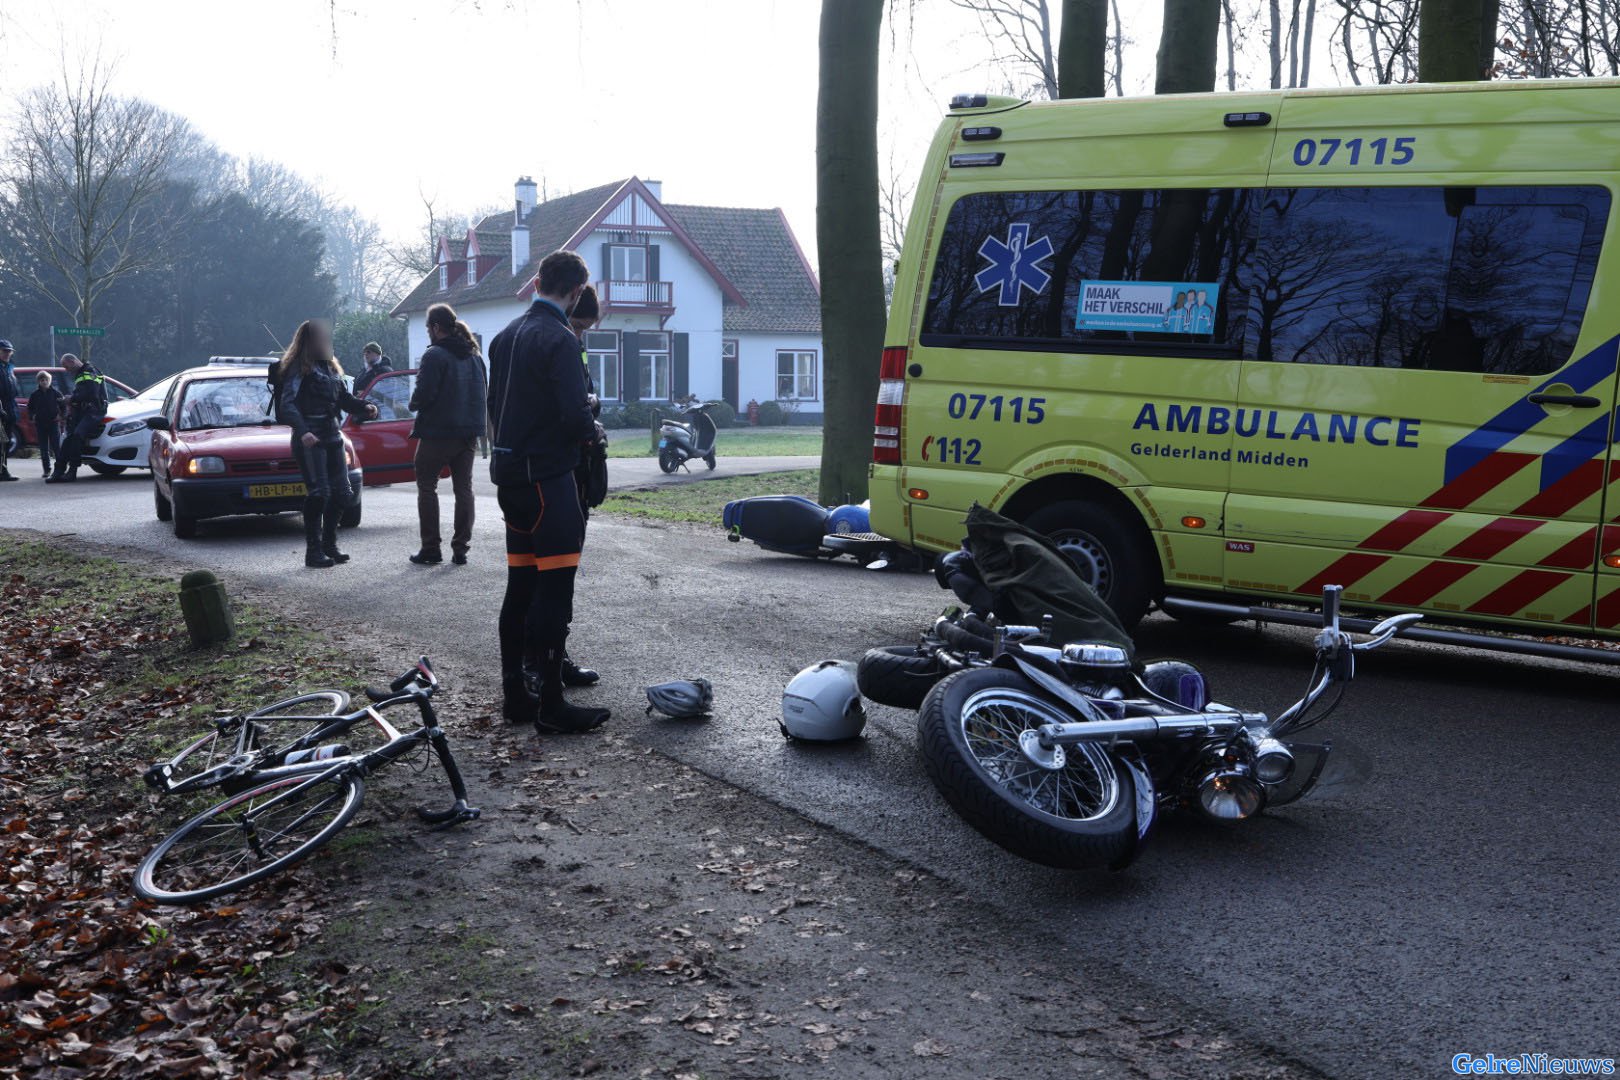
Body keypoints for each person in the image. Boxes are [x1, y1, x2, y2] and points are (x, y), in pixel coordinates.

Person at [486, 250, 609, 733]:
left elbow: (496, 405)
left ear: (537, 281)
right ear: (577, 292)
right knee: (556, 590)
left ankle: (515, 692)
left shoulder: (503, 336)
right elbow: (574, 415)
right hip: (548, 480)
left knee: (519, 589)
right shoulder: (558, 338)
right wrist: (593, 432)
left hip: (509, 478)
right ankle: (552, 705)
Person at [278, 321, 378, 568]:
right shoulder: (297, 368)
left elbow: (344, 398)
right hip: (311, 440)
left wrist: (365, 407)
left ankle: (329, 546)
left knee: (344, 492)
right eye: (321, 338)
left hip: (334, 436)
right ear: (310, 340)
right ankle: (313, 552)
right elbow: (287, 405)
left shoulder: (330, 368)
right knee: (319, 493)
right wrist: (302, 431)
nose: (326, 341)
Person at [408, 304, 486, 567]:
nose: (428, 332)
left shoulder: (435, 356)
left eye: (428, 328)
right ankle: (460, 548)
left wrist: (413, 404)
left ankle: (431, 548)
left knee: (427, 487)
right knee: (464, 489)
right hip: (467, 435)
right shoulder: (475, 356)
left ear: (436, 327)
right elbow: (482, 395)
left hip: (437, 433)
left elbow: (424, 393)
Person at [47, 354, 107, 483]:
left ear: (72, 361)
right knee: (69, 437)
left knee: (77, 436)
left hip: (94, 411)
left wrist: (72, 398)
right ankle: (58, 470)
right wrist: (71, 400)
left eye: (66, 366)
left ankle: (72, 471)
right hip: (82, 410)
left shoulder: (90, 371)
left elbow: (92, 393)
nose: (66, 369)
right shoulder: (80, 373)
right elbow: (81, 392)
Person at [27, 372, 66, 479]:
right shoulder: (34, 395)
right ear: (39, 382)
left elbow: (64, 406)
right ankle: (47, 470)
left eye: (46, 380)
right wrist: (32, 416)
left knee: (56, 447)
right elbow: (30, 408)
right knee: (44, 449)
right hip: (40, 424)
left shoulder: (56, 393)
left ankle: (60, 469)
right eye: (42, 380)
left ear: (50, 381)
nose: (44, 382)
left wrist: (61, 416)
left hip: (53, 423)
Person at [0, 341, 18, 482]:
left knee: (4, 443)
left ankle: (3, 471)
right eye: (5, 350)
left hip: (9, 411)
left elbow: (12, 392)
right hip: (1, 411)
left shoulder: (9, 368)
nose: (7, 353)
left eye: (9, 351)